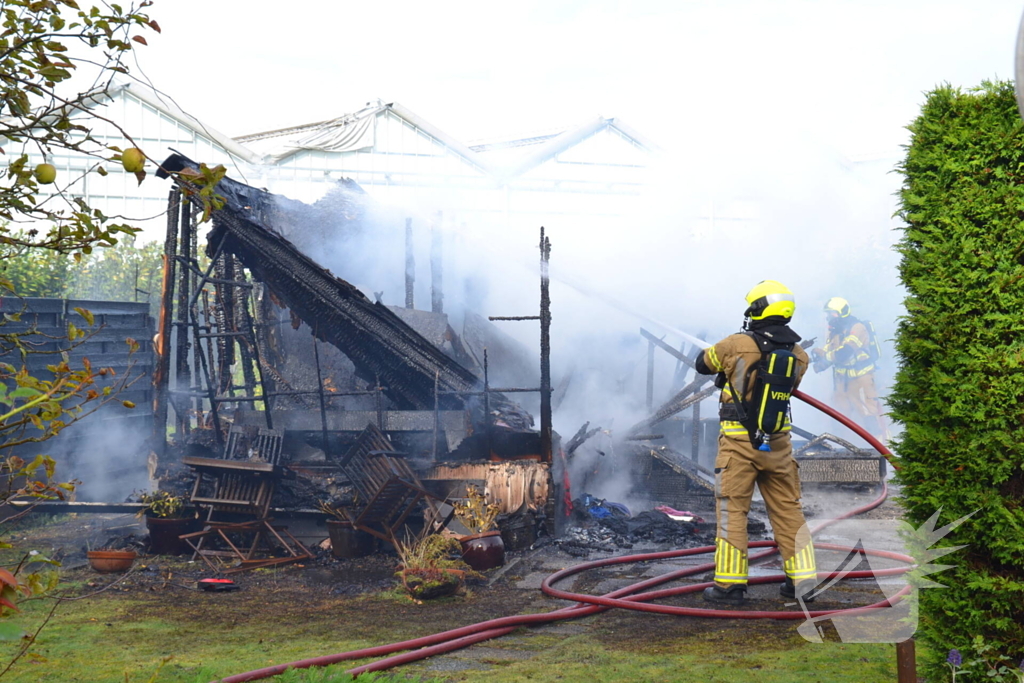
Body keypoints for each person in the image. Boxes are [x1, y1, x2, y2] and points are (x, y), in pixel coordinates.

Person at [694, 280, 817, 603]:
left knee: (732, 510)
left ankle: (729, 586)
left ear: (758, 309)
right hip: (778, 445)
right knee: (789, 511)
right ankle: (803, 582)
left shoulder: (736, 344)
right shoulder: (798, 354)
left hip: (738, 445)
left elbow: (702, 363)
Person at [812, 297, 890, 442]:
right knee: (839, 415)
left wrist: (826, 358)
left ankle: (880, 449)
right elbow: (830, 350)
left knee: (868, 414)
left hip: (861, 380)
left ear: (842, 312)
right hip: (842, 382)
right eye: (828, 314)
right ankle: (840, 447)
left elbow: (844, 353)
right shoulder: (835, 330)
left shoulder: (857, 328)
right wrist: (819, 357)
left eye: (832, 313)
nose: (829, 317)